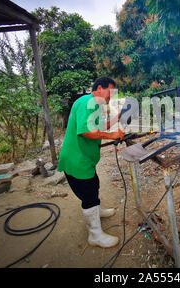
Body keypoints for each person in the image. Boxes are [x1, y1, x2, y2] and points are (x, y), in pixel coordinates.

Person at [57, 76, 124, 248]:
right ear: (99, 88)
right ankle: (95, 235)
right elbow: (86, 131)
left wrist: (119, 118)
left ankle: (97, 211)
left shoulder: (92, 104)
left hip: (84, 159)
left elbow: (100, 127)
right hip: (77, 160)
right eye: (111, 91)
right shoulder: (90, 102)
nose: (112, 96)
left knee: (94, 184)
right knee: (88, 196)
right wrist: (112, 135)